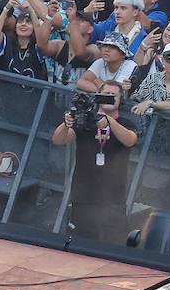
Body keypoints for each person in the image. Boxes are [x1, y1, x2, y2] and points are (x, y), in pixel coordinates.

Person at [52, 79, 137, 243]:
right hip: (83, 196)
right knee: (79, 244)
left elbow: (130, 140)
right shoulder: (85, 122)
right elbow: (58, 140)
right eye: (106, 94)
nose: (109, 98)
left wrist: (108, 121)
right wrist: (66, 124)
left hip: (113, 199)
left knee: (114, 244)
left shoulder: (125, 123)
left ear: (120, 99)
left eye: (113, 95)